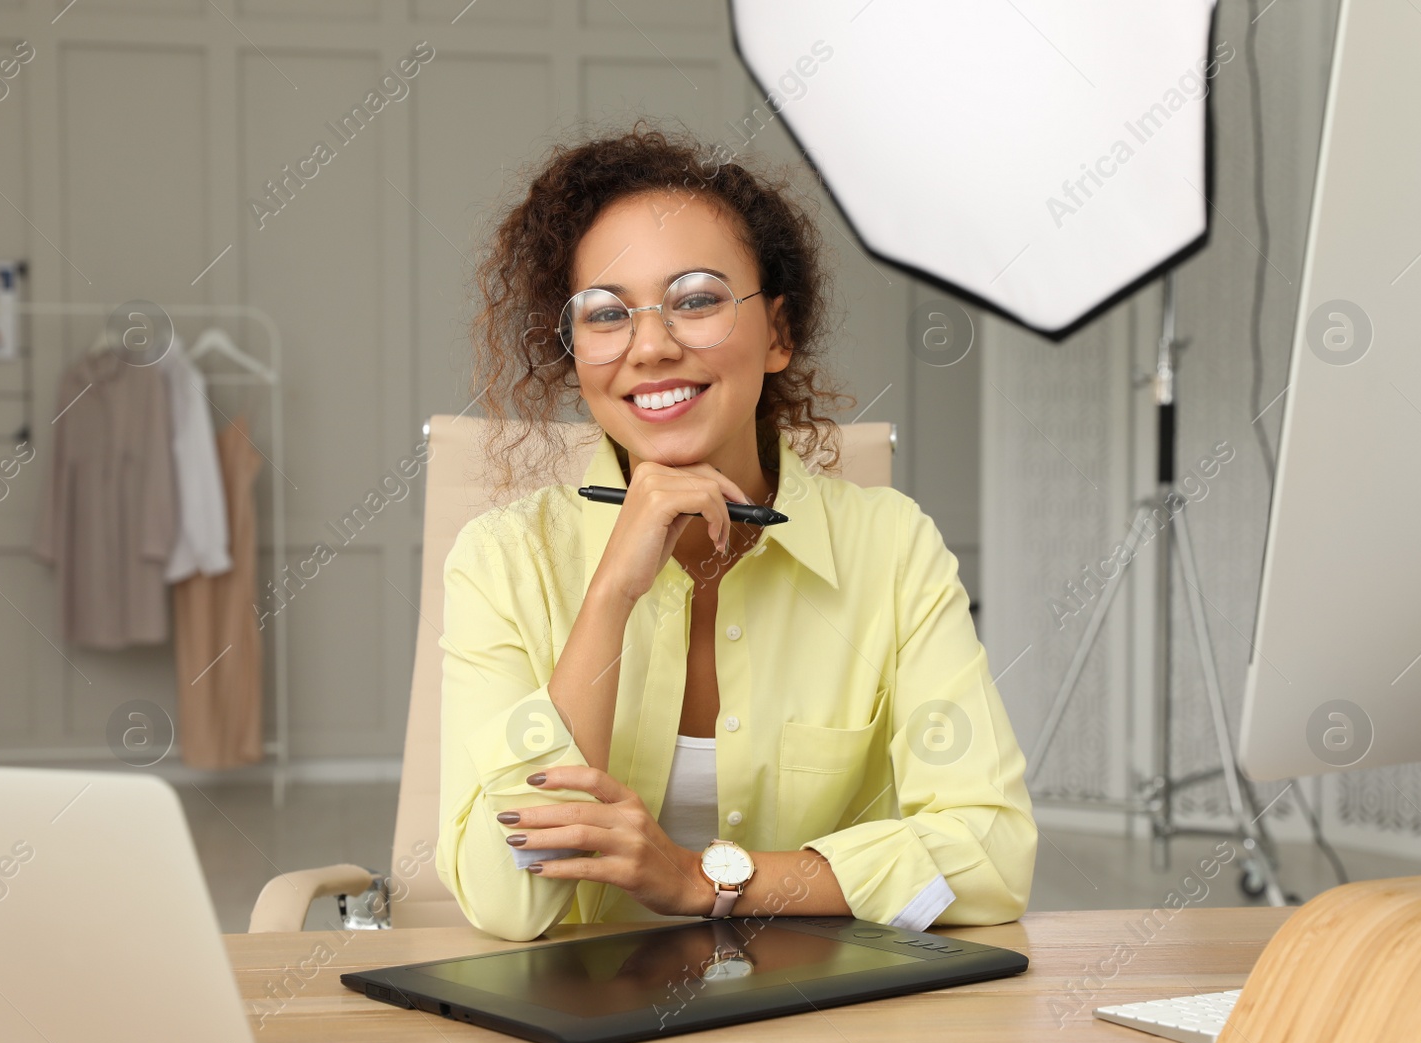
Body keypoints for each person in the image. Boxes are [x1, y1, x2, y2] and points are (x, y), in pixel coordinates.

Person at [436, 123, 1036, 942]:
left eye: (696, 299)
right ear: (575, 352)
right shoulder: (502, 562)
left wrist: (703, 878)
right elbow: (510, 903)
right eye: (606, 314)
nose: (650, 345)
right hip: (587, 1035)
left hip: (820, 1017)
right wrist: (611, 594)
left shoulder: (892, 548)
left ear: (778, 334)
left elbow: (993, 859)